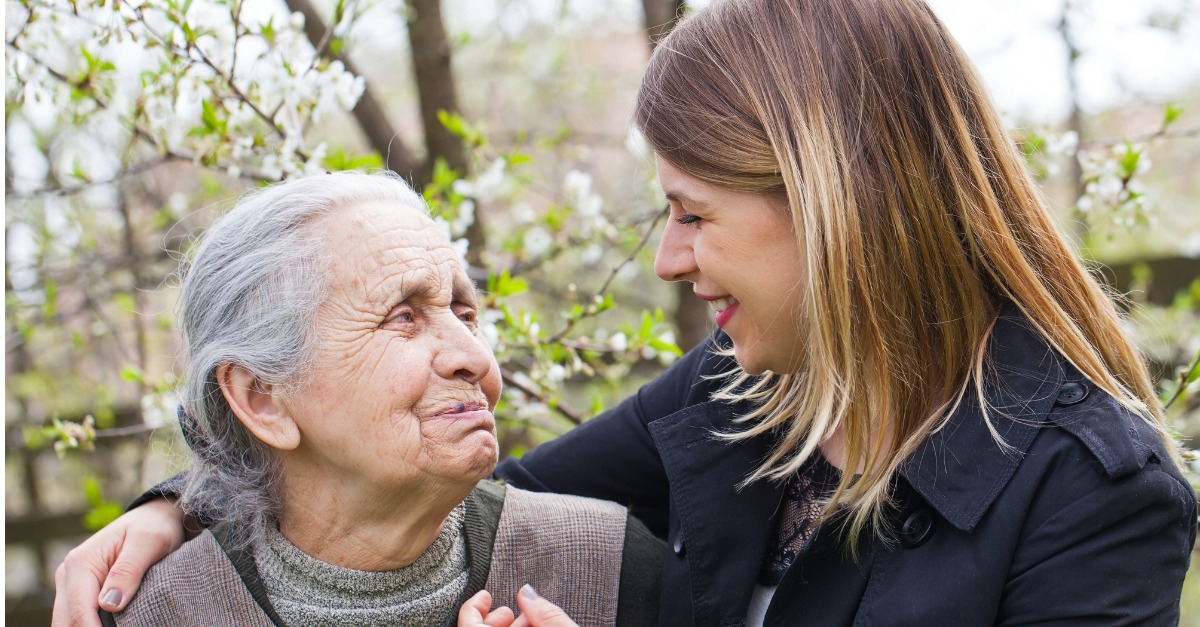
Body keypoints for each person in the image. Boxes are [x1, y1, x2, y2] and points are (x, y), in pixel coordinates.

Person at [55, 0, 1197, 625]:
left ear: (832, 205)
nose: (669, 257)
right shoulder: (746, 392)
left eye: (693, 214)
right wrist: (193, 503)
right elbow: (462, 492)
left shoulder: (1096, 496)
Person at [73, 172, 660, 627]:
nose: (475, 359)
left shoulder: (609, 567)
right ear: (263, 400)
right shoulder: (154, 615)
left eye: (465, 313)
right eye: (402, 317)